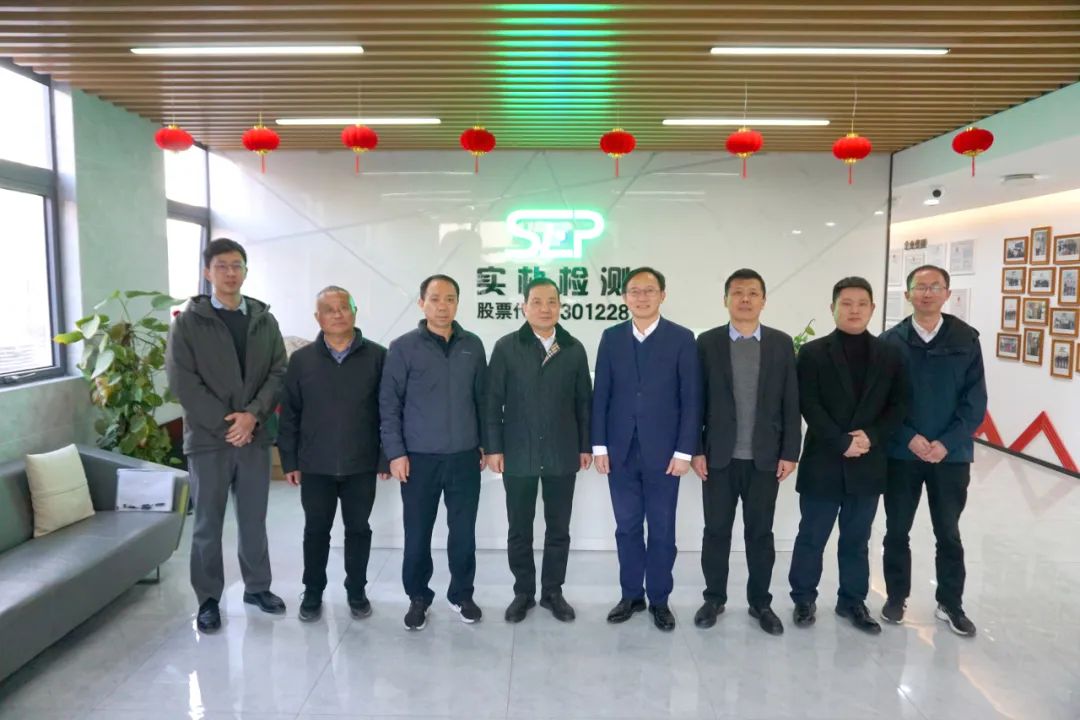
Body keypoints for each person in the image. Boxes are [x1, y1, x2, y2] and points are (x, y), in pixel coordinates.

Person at [165, 237, 288, 633]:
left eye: (237, 266)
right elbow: (183, 382)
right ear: (207, 272)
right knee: (207, 523)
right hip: (208, 440)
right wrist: (228, 424)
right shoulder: (188, 323)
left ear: (246, 271)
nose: (230, 273)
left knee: (254, 519)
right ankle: (208, 599)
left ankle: (257, 587)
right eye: (221, 266)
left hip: (255, 437)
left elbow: (278, 373)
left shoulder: (264, 320)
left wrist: (252, 417)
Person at [788, 277, 907, 635]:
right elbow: (808, 403)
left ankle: (852, 601)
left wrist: (871, 436)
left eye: (862, 304)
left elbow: (899, 405)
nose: (854, 310)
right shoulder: (812, 353)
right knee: (812, 536)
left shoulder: (890, 354)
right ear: (833, 308)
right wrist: (840, 441)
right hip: (824, 459)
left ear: (872, 308)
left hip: (868, 461)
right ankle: (803, 598)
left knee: (857, 539)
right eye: (846, 303)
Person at [692, 269, 801, 635]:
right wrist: (695, 449)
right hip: (718, 457)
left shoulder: (781, 344)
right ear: (725, 300)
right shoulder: (707, 343)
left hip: (764, 459)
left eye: (753, 293)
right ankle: (714, 598)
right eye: (737, 292)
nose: (745, 299)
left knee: (760, 534)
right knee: (716, 532)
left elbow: (791, 401)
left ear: (763, 301)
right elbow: (695, 401)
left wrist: (791, 452)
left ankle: (760, 603)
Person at [592, 267, 702, 631]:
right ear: (625, 297)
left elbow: (691, 398)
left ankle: (659, 599)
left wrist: (684, 451)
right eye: (635, 291)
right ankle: (630, 595)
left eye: (649, 290)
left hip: (665, 455)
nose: (642, 297)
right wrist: (599, 446)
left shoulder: (682, 338)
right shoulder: (611, 338)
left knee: (662, 530)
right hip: (620, 451)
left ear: (662, 295)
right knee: (626, 528)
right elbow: (601, 394)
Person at [880, 265, 986, 637]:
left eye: (934, 287)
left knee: (949, 533)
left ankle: (950, 603)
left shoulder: (966, 339)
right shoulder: (890, 341)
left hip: (949, 456)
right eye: (920, 287)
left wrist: (947, 442)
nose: (927, 293)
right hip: (902, 453)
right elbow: (881, 400)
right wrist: (908, 436)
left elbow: (975, 401)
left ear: (947, 293)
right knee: (897, 530)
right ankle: (896, 597)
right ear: (907, 294)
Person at [379, 274, 487, 631]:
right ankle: (418, 597)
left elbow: (483, 400)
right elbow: (389, 404)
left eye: (450, 299)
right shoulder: (403, 347)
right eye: (436, 299)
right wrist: (395, 453)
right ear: (421, 303)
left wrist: (486, 444)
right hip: (419, 459)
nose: (443, 306)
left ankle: (462, 594)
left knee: (464, 533)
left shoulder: (472, 345)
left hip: (464, 457)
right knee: (417, 533)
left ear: (458, 303)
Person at [278, 286, 389, 623]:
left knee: (358, 530)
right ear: (318, 317)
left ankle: (357, 591)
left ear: (355, 311)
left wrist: (385, 457)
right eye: (330, 309)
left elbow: (389, 411)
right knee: (316, 531)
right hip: (315, 464)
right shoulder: (301, 361)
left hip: (360, 462)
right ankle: (313, 592)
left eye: (344, 307)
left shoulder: (378, 357)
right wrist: (290, 460)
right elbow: (290, 414)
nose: (338, 314)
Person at [485, 278, 592, 624]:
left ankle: (552, 592)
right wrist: (493, 447)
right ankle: (523, 592)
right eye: (537, 301)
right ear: (524, 307)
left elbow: (584, 403)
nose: (545, 308)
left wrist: (585, 446)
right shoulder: (507, 347)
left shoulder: (573, 349)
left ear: (560, 306)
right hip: (518, 453)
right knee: (519, 528)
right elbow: (491, 402)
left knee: (558, 528)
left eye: (551, 302)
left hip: (562, 452)